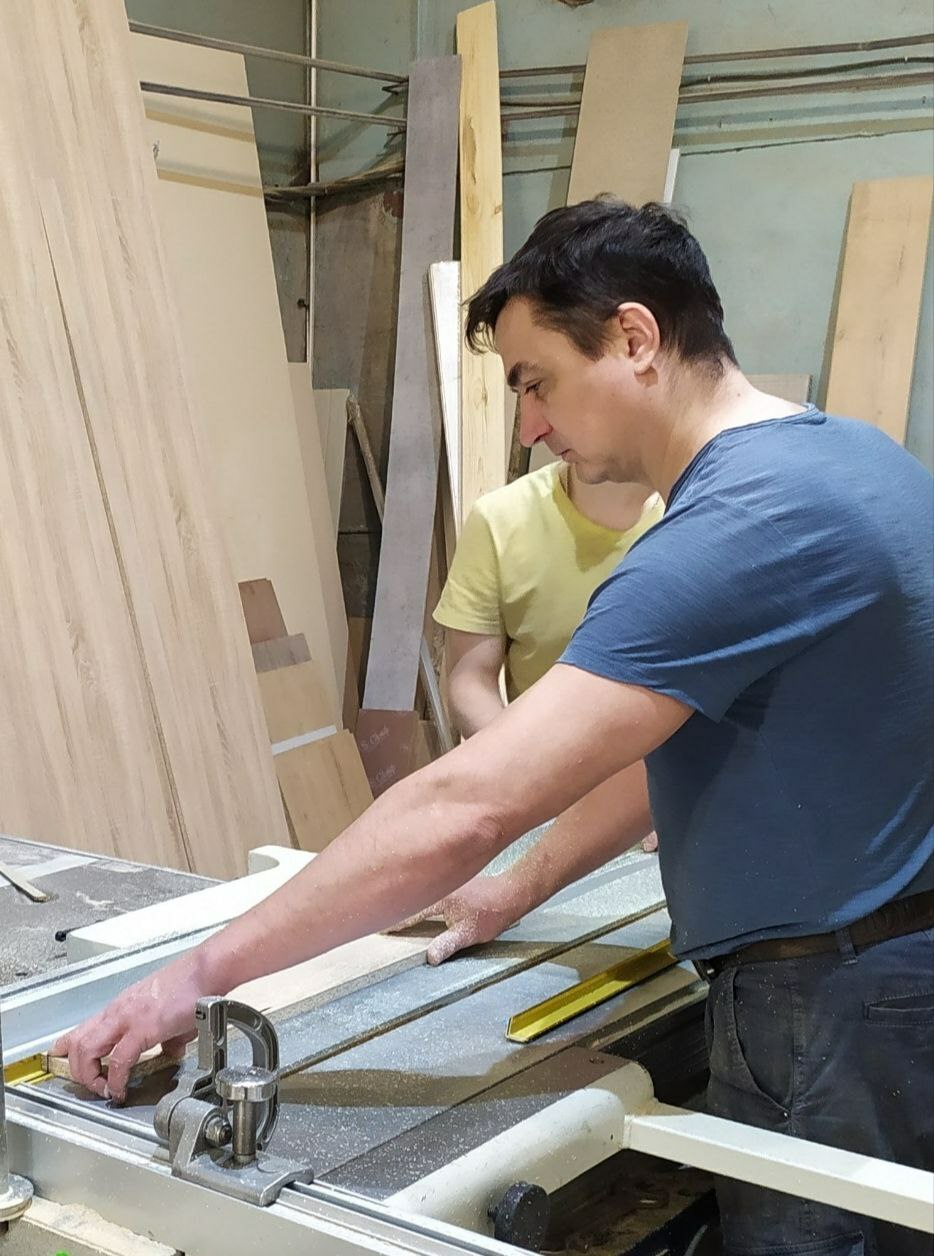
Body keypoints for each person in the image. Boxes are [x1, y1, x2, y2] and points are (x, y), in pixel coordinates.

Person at [56, 199, 933, 1254]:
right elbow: (660, 740)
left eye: (535, 380)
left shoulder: (736, 529)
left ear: (635, 337)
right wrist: (516, 887)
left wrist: (198, 978)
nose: (528, 426)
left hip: (829, 1002)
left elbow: (465, 805)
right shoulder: (852, 457)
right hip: (882, 968)